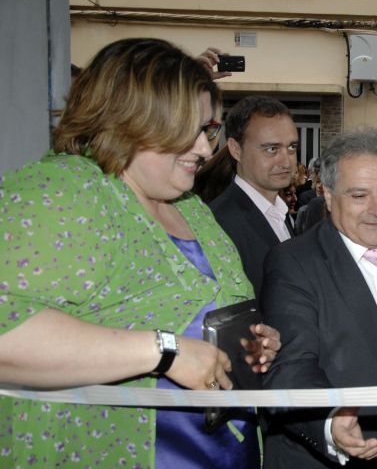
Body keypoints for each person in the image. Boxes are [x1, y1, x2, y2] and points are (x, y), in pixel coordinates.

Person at [0, 38, 281, 468]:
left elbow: (205, 317)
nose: (206, 149)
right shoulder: (63, 191)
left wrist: (249, 343)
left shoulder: (191, 207)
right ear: (133, 120)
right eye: (190, 129)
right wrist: (164, 352)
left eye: (208, 131)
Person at [261, 129, 377, 468]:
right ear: (330, 197)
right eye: (359, 196)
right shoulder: (294, 263)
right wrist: (330, 420)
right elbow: (291, 367)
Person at [210, 95, 299, 298]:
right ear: (235, 149)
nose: (286, 161)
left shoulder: (281, 213)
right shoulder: (219, 223)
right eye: (271, 149)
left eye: (292, 147)